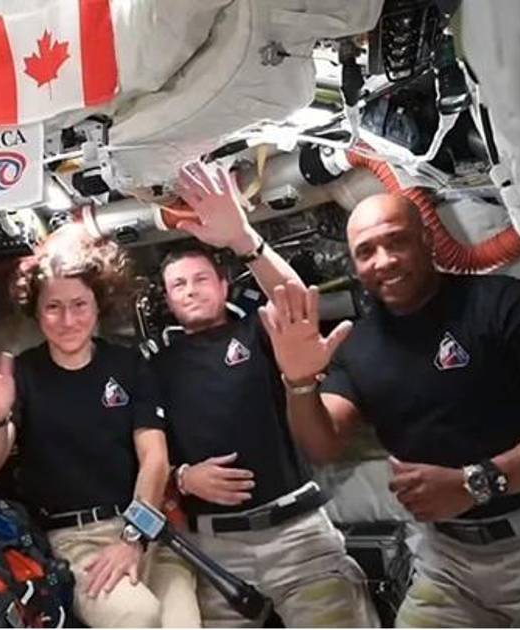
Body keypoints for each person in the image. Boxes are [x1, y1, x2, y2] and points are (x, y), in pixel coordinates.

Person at [261, 192, 520, 627]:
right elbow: (323, 444)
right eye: (366, 251)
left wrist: (476, 483)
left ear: (427, 239)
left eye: (396, 241)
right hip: (446, 563)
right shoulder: (356, 346)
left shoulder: (504, 303)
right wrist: (299, 381)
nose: (383, 261)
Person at [151, 161, 378, 627]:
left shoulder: (261, 332)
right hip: (216, 549)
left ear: (222, 285)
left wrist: (243, 240)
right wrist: (182, 477)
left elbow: (295, 299)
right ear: (168, 299)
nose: (190, 291)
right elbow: (141, 453)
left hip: (297, 536)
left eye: (200, 279)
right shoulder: (153, 365)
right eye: (178, 285)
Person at [0, 228, 200, 628]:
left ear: (98, 305)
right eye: (53, 307)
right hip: (75, 541)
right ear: (36, 311)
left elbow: (155, 459)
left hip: (144, 529)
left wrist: (134, 537)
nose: (67, 320)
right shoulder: (23, 374)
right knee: (136, 615)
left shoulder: (129, 366)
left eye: (79, 305)